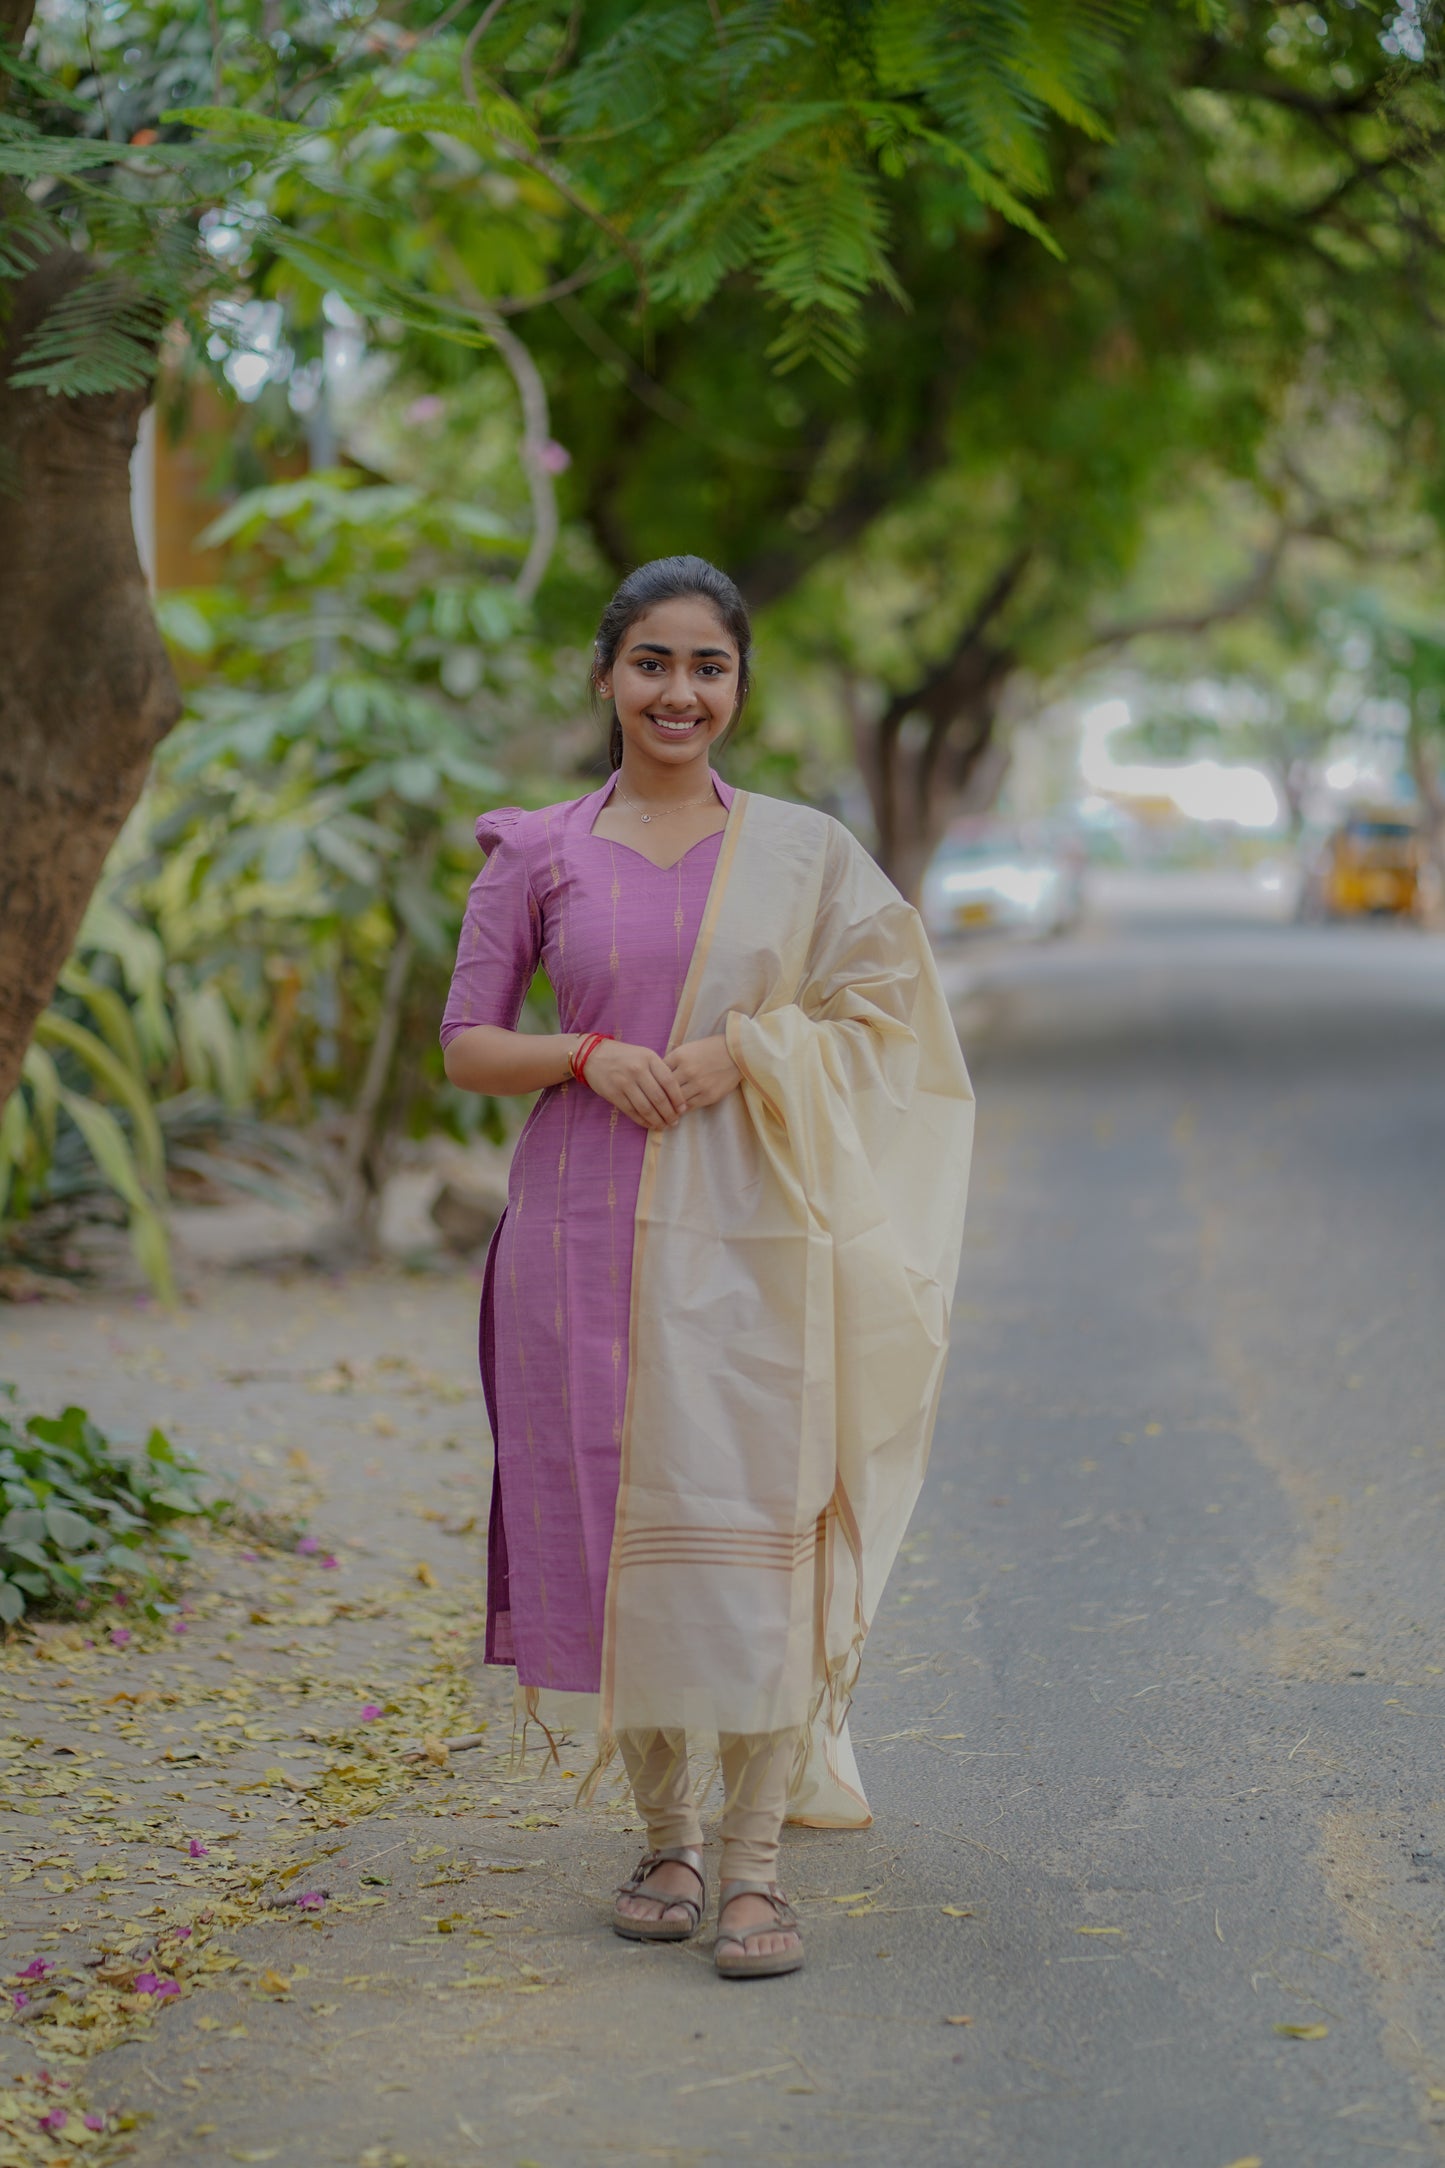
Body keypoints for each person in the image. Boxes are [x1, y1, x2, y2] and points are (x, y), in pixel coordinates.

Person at [441, 555, 974, 1981]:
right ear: (607, 675)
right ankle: (665, 1838)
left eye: (708, 667)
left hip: (753, 1237)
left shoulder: (802, 854)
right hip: (576, 1236)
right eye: (652, 664)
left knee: (750, 1534)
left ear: (736, 684)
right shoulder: (537, 852)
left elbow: (889, 1003)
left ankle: (752, 1869)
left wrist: (749, 1044)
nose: (680, 693)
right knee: (623, 1542)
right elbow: (468, 1044)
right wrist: (588, 1054)